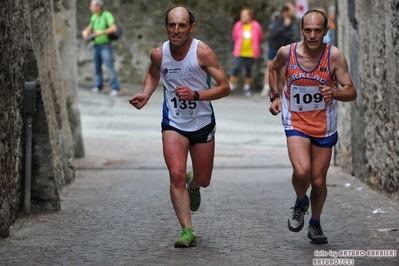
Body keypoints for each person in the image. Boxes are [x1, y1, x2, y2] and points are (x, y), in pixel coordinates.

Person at [129, 6, 230, 247]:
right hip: (173, 122)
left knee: (203, 179)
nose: (176, 30)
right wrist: (146, 94)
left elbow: (225, 87)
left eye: (182, 25)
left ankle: (194, 184)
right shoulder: (158, 54)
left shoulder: (202, 52)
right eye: (172, 25)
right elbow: (153, 73)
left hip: (202, 122)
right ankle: (187, 230)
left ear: (191, 27)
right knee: (176, 175)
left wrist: (196, 95)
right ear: (166, 26)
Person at [268, 9, 357, 244]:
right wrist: (275, 96)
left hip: (324, 125)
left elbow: (351, 91)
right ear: (301, 30)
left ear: (326, 31)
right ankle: (300, 202)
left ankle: (315, 224)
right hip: (295, 121)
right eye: (308, 30)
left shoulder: (334, 56)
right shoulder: (286, 53)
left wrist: (335, 92)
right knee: (301, 171)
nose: (313, 35)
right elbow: (273, 68)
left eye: (318, 30)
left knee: (318, 181)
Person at [81, 0, 121, 97]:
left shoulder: (107, 15)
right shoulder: (94, 16)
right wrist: (85, 32)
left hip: (105, 45)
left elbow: (113, 28)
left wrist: (101, 33)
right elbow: (89, 27)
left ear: (98, 6)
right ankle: (98, 86)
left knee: (109, 67)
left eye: (92, 6)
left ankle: (115, 88)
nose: (90, 8)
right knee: (97, 67)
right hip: (96, 45)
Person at [260, 2, 298, 98]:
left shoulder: (293, 20)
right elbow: (273, 32)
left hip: (286, 47)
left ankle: (282, 89)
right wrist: (284, 27)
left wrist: (282, 32)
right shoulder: (276, 17)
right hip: (274, 46)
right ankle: (266, 87)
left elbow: (292, 34)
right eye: (292, 10)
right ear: (286, 11)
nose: (294, 12)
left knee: (285, 69)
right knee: (270, 65)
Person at [229, 7, 263, 97]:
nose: (242, 17)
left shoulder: (256, 26)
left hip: (251, 52)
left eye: (244, 15)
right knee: (235, 68)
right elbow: (234, 36)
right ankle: (230, 86)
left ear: (250, 16)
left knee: (248, 70)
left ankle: (247, 87)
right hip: (239, 51)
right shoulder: (238, 25)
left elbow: (259, 37)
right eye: (241, 15)